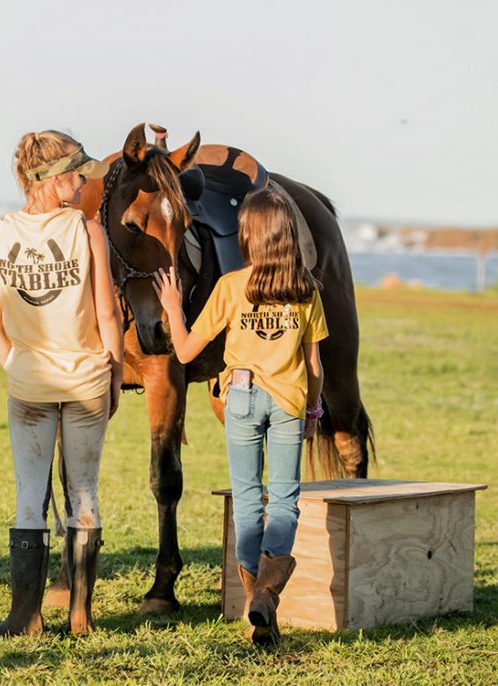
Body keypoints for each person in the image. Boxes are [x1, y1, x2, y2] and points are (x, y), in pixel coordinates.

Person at [152, 188, 327, 646]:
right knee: (285, 501)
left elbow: (187, 351)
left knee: (249, 502)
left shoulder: (231, 287)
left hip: (242, 399)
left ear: (248, 236)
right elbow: (315, 368)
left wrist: (173, 309)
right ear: (287, 236)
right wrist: (313, 410)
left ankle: (259, 601)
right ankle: (266, 599)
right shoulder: (306, 289)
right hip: (289, 401)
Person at [0, 130, 123, 636]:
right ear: (57, 178)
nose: (85, 182)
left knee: (28, 496)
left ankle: (25, 616)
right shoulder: (89, 232)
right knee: (84, 492)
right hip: (86, 380)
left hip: (29, 386)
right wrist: (116, 370)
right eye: (79, 173)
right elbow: (106, 312)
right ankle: (81, 615)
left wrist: (17, 365)